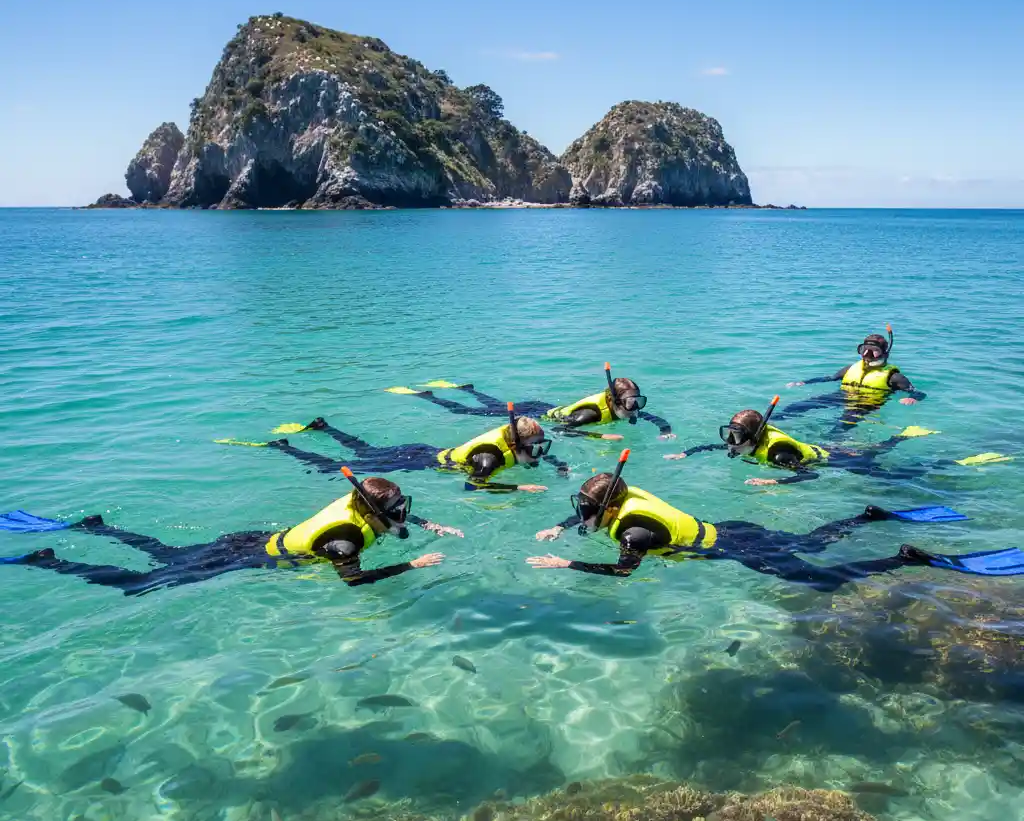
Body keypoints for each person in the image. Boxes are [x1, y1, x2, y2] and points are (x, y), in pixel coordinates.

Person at [527, 454, 1024, 590]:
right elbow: (600, 503)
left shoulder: (633, 534)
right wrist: (562, 525)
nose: (582, 517)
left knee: (820, 577)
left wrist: (564, 561)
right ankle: (865, 516)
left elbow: (621, 573)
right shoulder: (624, 496)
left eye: (585, 513)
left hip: (735, 548)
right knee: (811, 541)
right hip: (734, 525)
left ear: (608, 510)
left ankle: (902, 558)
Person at [0, 474, 459, 596]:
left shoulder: (362, 508)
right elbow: (355, 582)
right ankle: (52, 561)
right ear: (375, 510)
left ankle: (99, 528)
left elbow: (394, 517)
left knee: (167, 551)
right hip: (246, 557)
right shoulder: (345, 542)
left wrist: (429, 525)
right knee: (145, 582)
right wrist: (410, 566)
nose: (404, 514)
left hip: (250, 537)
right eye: (398, 510)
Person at [666, 397, 1010, 485]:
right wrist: (688, 452)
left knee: (886, 472)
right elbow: (718, 446)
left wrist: (775, 479)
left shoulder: (779, 453)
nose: (730, 442)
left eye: (736, 436)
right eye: (729, 434)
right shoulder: (743, 442)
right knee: (875, 451)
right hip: (826, 452)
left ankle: (961, 462)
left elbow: (809, 475)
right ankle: (901, 436)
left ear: (754, 436)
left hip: (833, 460)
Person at [218, 405, 561, 493]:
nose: (538, 450)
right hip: (417, 461)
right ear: (517, 443)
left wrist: (556, 465)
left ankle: (325, 427)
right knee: (344, 463)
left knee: (365, 450)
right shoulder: (488, 459)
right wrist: (519, 487)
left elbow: (531, 458)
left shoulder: (512, 448)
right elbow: (473, 485)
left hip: (425, 450)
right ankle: (285, 448)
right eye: (534, 445)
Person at [383, 363, 676, 439]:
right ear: (614, 401)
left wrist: (665, 429)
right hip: (537, 412)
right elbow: (564, 430)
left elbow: (650, 417)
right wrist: (600, 435)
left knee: (492, 405)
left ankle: (466, 387)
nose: (636, 409)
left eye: (639, 402)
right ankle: (428, 396)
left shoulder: (627, 409)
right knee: (470, 413)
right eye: (631, 403)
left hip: (539, 405)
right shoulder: (589, 414)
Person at [776, 327, 925, 434]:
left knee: (842, 424)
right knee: (798, 406)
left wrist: (912, 398)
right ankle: (771, 423)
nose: (868, 355)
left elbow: (918, 393)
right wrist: (804, 382)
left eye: (874, 351)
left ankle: (829, 444)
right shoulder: (851, 368)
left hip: (867, 402)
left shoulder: (894, 376)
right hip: (841, 396)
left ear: (884, 353)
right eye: (864, 350)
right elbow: (830, 378)